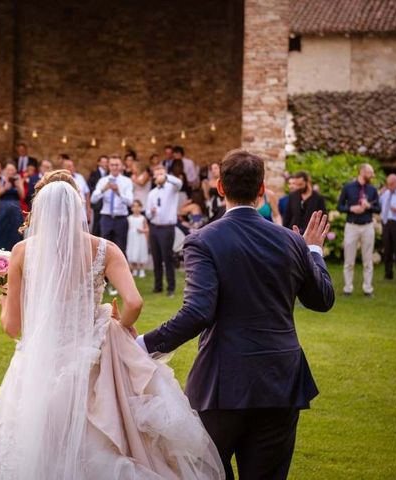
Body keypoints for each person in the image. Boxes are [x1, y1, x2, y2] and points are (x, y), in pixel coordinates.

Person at [0, 170, 223, 480]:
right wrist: (117, 324)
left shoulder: (22, 252)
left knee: (34, 433)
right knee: (102, 431)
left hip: (40, 357)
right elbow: (134, 302)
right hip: (93, 351)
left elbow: (12, 327)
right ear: (78, 208)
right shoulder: (104, 249)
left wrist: (5, 303)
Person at [136, 149, 335, 480]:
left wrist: (143, 345)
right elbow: (323, 299)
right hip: (279, 379)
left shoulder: (203, 240)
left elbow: (198, 311)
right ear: (261, 190)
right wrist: (313, 250)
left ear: (219, 187)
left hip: (222, 381)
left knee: (207, 474)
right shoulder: (291, 241)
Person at [337, 163, 381, 296]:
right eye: (370, 173)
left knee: (367, 260)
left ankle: (368, 289)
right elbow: (339, 206)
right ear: (362, 172)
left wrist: (368, 206)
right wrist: (351, 209)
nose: (372, 175)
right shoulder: (348, 187)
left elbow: (379, 208)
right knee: (349, 260)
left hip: (368, 226)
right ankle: (347, 288)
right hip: (351, 226)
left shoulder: (372, 189)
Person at [146, 165, 183, 298]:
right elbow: (148, 214)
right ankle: (158, 286)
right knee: (156, 258)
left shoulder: (172, 188)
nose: (159, 176)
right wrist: (151, 212)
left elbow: (179, 183)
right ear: (154, 177)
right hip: (154, 227)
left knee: (167, 258)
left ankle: (171, 288)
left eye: (161, 173)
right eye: (157, 174)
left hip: (167, 228)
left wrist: (167, 177)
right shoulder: (152, 193)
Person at [90, 154, 134, 266]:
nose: (114, 167)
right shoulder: (102, 181)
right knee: (104, 250)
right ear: (108, 166)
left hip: (121, 219)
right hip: (106, 218)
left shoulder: (126, 181)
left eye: (117, 165)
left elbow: (130, 202)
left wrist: (119, 192)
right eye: (112, 165)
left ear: (121, 166)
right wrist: (104, 189)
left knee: (121, 249)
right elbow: (93, 200)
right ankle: (105, 280)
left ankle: (120, 278)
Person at [62, 157, 91, 223]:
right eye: (69, 166)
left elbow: (87, 193)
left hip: (81, 212)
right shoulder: (61, 179)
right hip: (67, 215)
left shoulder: (80, 177)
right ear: (64, 168)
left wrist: (88, 209)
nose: (72, 168)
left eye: (72, 166)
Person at [126, 199, 149, 278]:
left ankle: (142, 269)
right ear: (131, 208)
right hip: (132, 238)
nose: (136, 208)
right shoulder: (129, 218)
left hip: (140, 238)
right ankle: (134, 269)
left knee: (140, 252)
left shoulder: (143, 218)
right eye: (134, 206)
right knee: (133, 252)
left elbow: (147, 229)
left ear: (141, 208)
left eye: (138, 207)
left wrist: (142, 230)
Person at [88, 155, 109, 236]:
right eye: (103, 162)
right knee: (96, 225)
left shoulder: (108, 174)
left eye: (106, 162)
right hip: (97, 204)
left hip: (106, 203)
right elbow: (91, 187)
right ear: (99, 163)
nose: (105, 164)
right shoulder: (94, 173)